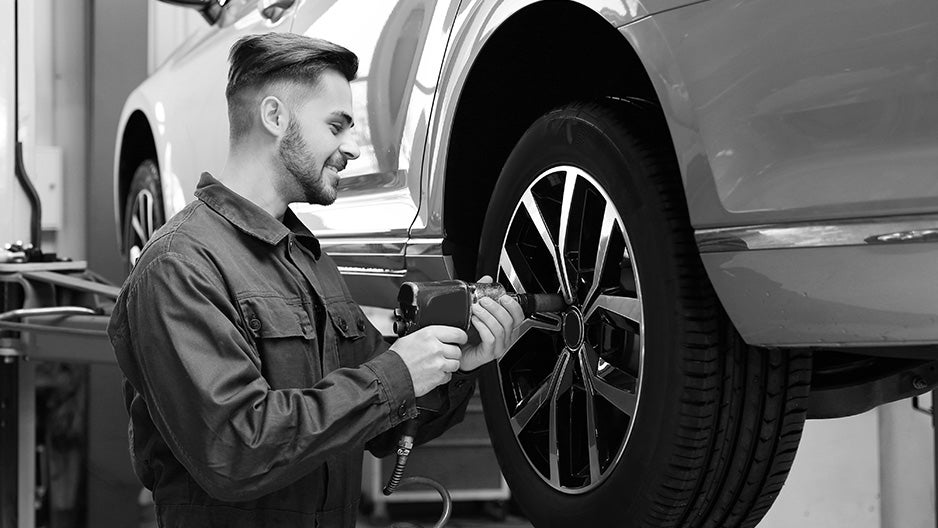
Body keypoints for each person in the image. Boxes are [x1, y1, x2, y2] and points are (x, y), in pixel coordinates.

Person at [107, 32, 524, 528]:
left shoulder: (309, 261)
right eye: (337, 125)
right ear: (275, 117)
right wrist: (396, 372)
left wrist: (458, 367)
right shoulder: (180, 266)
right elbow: (237, 450)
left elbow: (378, 427)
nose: (352, 147)